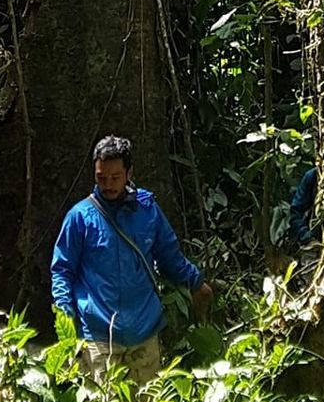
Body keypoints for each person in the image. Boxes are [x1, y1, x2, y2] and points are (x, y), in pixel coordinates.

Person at [49, 134, 212, 386]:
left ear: (129, 173)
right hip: (98, 335)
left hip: (143, 332)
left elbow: (169, 256)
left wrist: (196, 282)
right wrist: (64, 313)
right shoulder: (80, 217)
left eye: (115, 177)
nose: (108, 185)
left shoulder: (148, 211)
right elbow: (62, 270)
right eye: (101, 178)